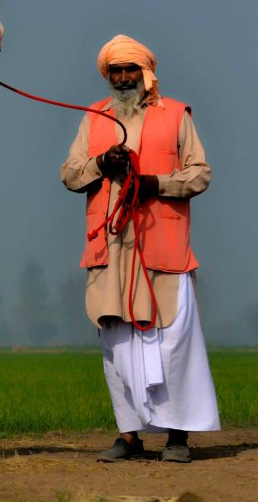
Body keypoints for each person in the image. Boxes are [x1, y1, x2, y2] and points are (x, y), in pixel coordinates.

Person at [61, 34, 220, 463]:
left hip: (163, 249)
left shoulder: (176, 115)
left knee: (171, 343)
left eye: (131, 69)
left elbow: (199, 174)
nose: (124, 77)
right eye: (117, 71)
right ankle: (129, 435)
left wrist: (156, 184)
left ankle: (178, 438)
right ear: (108, 75)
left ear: (147, 73)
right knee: (118, 344)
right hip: (110, 250)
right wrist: (101, 165)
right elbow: (70, 174)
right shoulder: (93, 117)